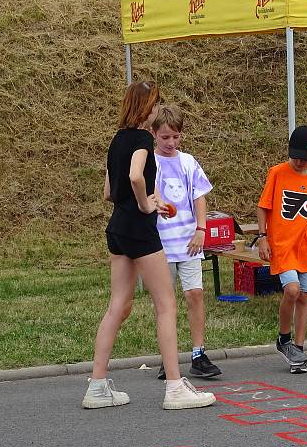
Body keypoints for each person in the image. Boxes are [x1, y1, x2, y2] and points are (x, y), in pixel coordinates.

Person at [82, 81, 215, 411]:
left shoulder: (117, 139)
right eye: (155, 104)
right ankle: (174, 387)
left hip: (117, 229)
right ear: (146, 108)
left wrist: (143, 202)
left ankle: (97, 385)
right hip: (141, 231)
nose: (158, 108)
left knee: (119, 306)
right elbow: (135, 176)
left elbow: (108, 192)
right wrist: (145, 204)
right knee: (166, 305)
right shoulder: (142, 138)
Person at [151, 105, 222, 380]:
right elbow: (149, 194)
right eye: (165, 137)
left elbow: (199, 196)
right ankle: (166, 357)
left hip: (189, 242)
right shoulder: (150, 163)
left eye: (176, 137)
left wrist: (201, 229)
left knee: (194, 294)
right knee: (165, 302)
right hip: (160, 245)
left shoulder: (188, 162)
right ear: (154, 134)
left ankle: (198, 353)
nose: (171, 143)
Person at [257, 126, 307, 374]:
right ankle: (283, 338)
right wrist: (262, 237)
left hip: (305, 246)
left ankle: (298, 347)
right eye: (295, 156)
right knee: (292, 289)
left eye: (304, 158)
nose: (299, 162)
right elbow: (263, 206)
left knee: (304, 296)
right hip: (282, 245)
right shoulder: (277, 173)